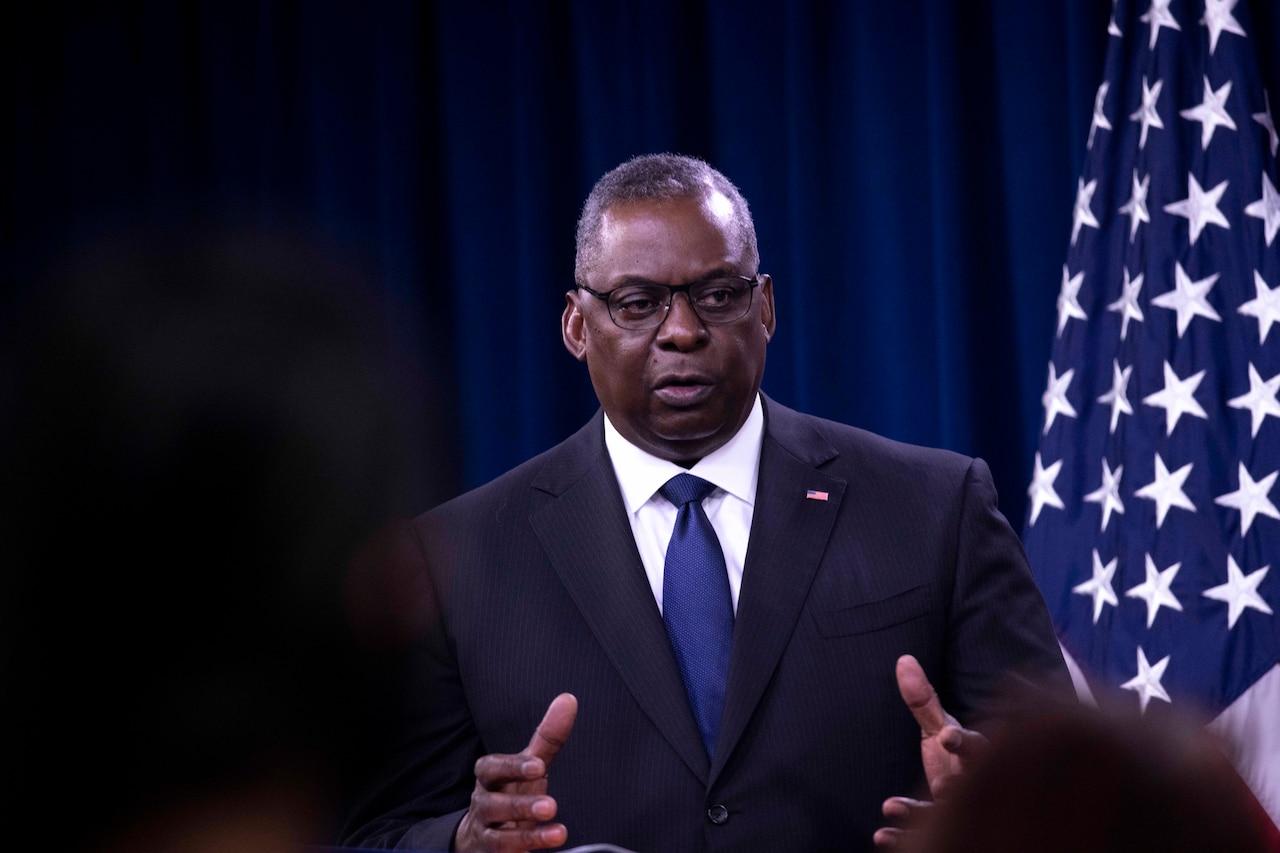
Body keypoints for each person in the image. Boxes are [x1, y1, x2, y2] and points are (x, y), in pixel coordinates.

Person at [340, 153, 1071, 852]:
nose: (684, 331)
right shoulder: (452, 559)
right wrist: (464, 840)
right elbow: (378, 831)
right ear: (574, 325)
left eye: (719, 294)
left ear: (766, 307)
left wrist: (993, 809)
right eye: (637, 303)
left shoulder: (936, 507)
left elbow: (1080, 789)